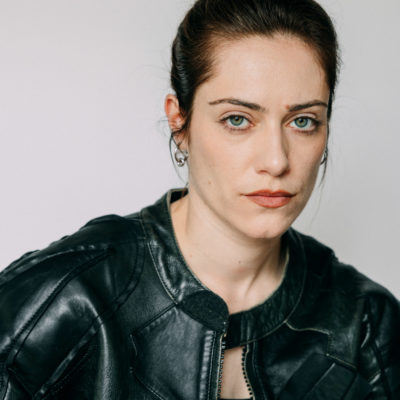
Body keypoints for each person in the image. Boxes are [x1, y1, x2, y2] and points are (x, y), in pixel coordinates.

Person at [0, 0, 399, 398]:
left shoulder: (366, 323)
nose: (277, 161)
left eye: (303, 121)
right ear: (180, 122)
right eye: (237, 119)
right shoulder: (64, 297)